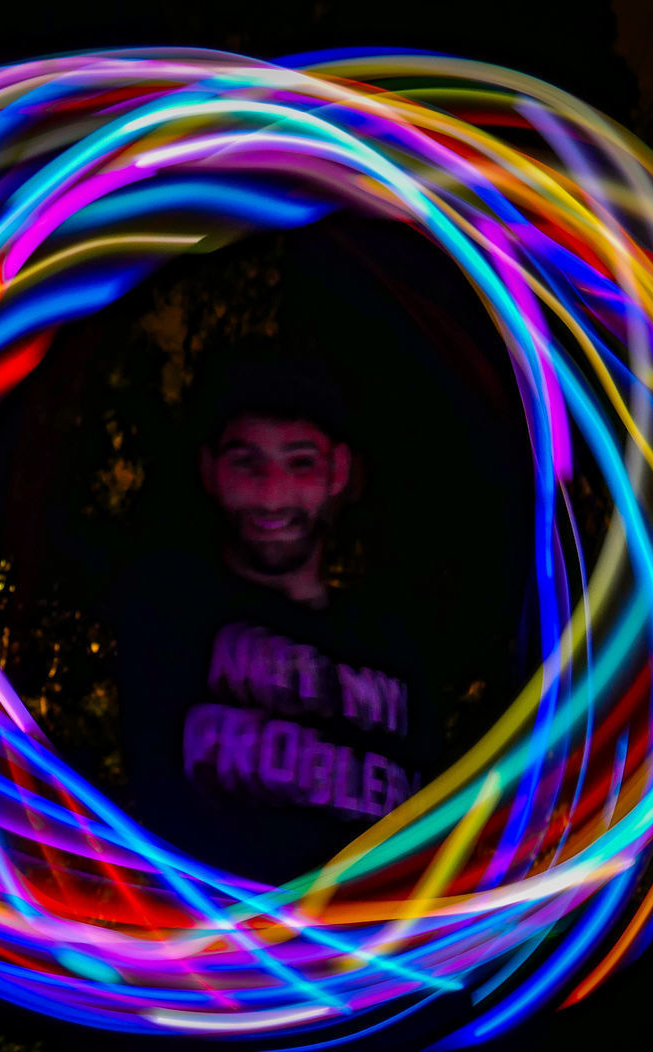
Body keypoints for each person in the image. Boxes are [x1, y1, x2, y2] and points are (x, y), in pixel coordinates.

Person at [110, 345, 444, 885]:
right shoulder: (168, 611)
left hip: (360, 956)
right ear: (211, 471)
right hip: (209, 952)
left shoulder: (397, 648)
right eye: (247, 463)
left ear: (337, 471)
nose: (272, 494)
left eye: (301, 463)